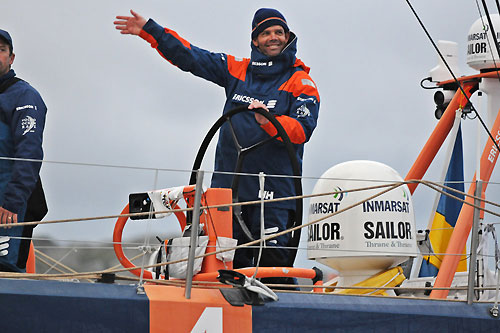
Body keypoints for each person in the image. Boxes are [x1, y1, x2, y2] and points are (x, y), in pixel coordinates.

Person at [114, 9, 320, 278]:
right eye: (266, 33)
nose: (273, 37)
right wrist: (150, 31)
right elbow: (192, 57)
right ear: (255, 40)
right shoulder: (238, 70)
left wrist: (268, 121)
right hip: (225, 199)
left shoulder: (301, 82)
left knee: (272, 276)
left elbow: (302, 130)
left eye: (279, 32)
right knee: (220, 273)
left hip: (274, 200)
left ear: (288, 37)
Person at [0, 29, 47, 272]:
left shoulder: (25, 96)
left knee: (5, 273)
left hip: (9, 205)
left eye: (1, 50)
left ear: (11, 57)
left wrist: (12, 202)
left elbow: (29, 152)